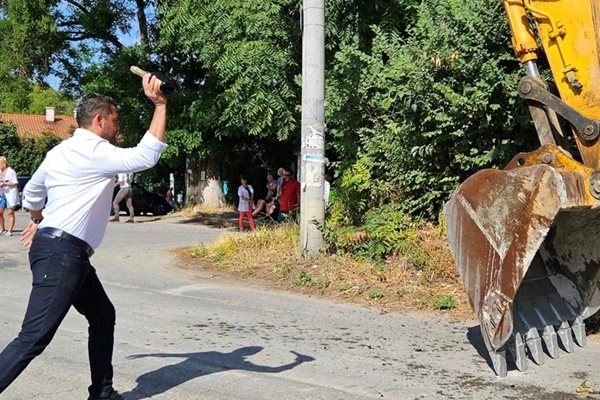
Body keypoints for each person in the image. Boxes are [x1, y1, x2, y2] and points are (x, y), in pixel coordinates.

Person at [0, 73, 167, 400]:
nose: (117, 128)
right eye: (115, 121)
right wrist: (159, 104)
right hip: (62, 255)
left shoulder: (59, 151)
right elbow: (146, 156)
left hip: (63, 251)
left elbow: (32, 192)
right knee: (34, 336)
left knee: (103, 314)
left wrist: (38, 220)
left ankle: (102, 393)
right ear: (99, 120)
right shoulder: (96, 150)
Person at [0, 156, 18, 236]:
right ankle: (2, 228)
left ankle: (9, 230)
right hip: (1, 194)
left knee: (10, 212)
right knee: (0, 212)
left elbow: (15, 182)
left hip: (10, 194)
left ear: (4, 163)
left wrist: (5, 184)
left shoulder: (11, 171)